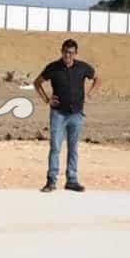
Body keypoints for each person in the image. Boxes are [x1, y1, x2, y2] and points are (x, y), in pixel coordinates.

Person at [33, 39, 100, 193]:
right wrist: (46, 99)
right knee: (55, 146)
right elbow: (37, 82)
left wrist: (89, 95)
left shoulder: (82, 67)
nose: (67, 55)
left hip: (76, 114)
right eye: (65, 52)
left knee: (73, 147)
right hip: (58, 114)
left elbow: (97, 78)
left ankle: (72, 180)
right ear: (61, 51)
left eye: (70, 52)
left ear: (75, 54)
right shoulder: (53, 68)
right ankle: (51, 180)